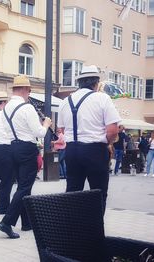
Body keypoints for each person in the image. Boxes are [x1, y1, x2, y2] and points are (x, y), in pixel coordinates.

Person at [58, 65, 120, 214]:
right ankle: (95, 231)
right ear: (96, 82)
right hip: (95, 150)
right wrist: (107, 142)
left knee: (73, 192)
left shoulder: (66, 101)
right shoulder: (102, 98)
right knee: (98, 193)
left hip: (72, 150)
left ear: (80, 82)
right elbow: (112, 131)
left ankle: (70, 230)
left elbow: (61, 130)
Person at [0, 75, 52, 239]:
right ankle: (7, 222)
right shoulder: (27, 108)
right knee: (25, 187)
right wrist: (46, 124)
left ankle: (26, 223)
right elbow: (39, 132)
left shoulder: (6, 108)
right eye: (29, 90)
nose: (29, 94)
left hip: (12, 147)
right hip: (27, 148)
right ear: (24, 90)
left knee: (23, 186)